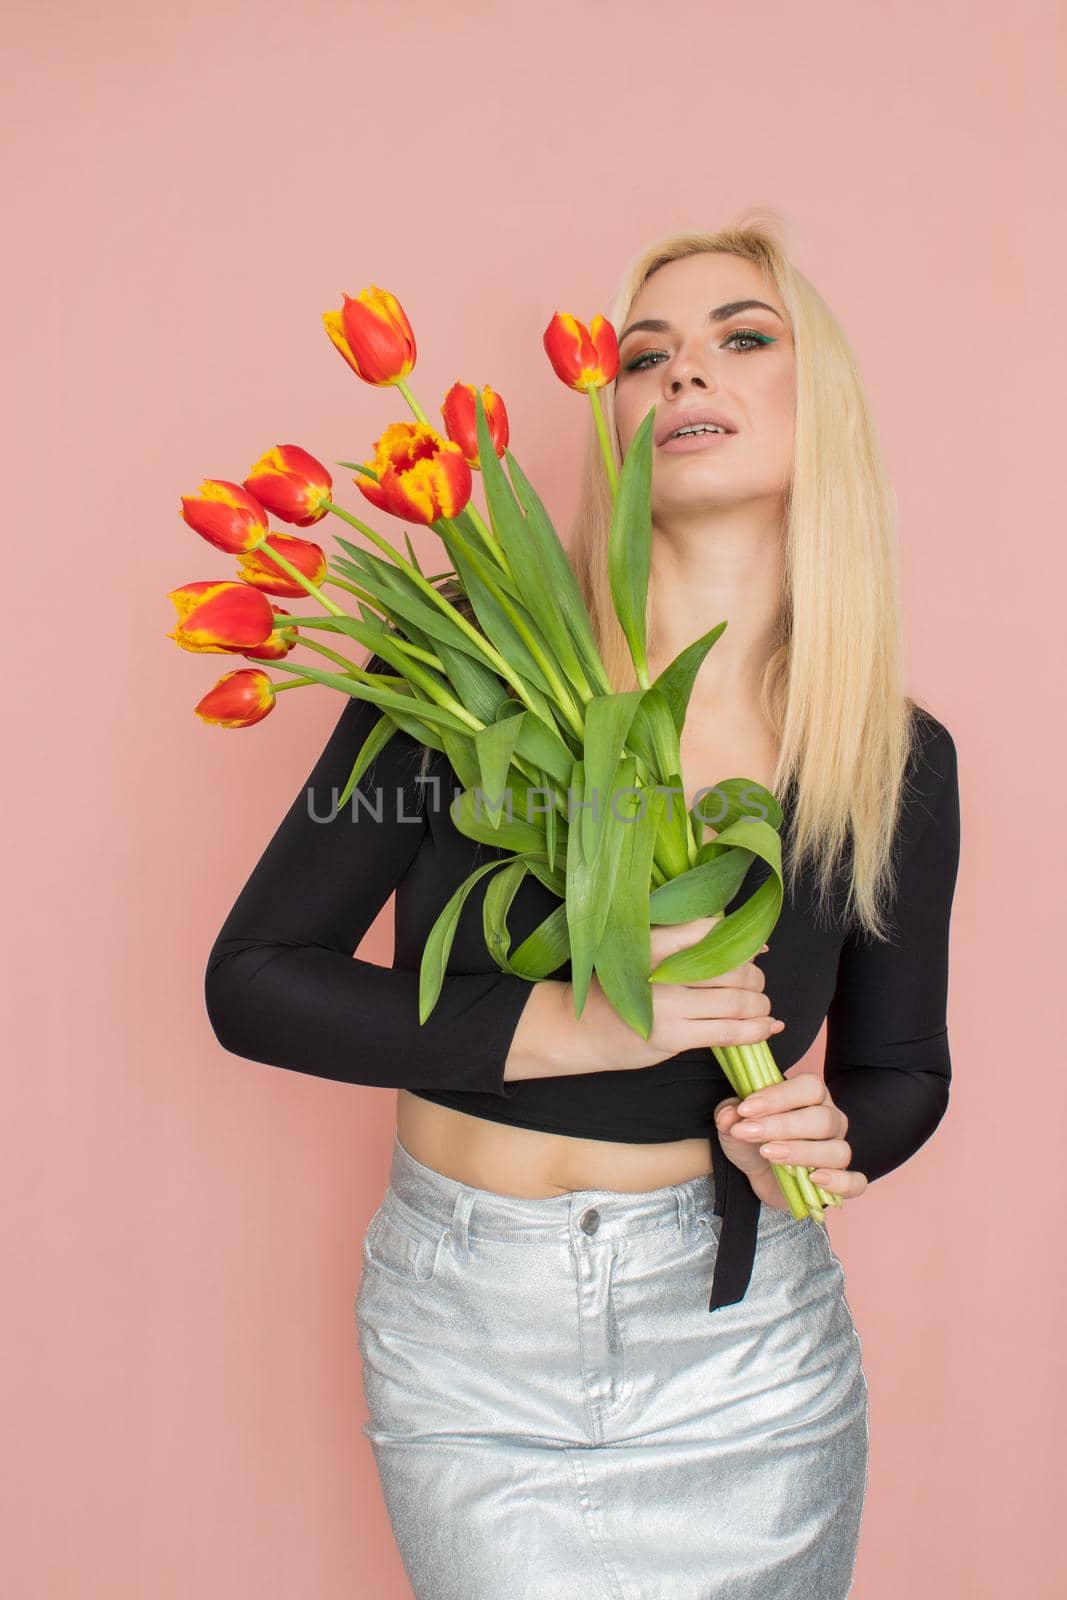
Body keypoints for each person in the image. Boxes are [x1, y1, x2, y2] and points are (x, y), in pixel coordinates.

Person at [204, 215, 961, 1600]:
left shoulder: (885, 755)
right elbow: (254, 979)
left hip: (749, 1355)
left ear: (825, 403)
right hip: (468, 1337)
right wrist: (576, 1024)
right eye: (645, 355)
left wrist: (838, 1130)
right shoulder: (461, 665)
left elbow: (904, 1070)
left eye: (742, 339)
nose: (682, 377)